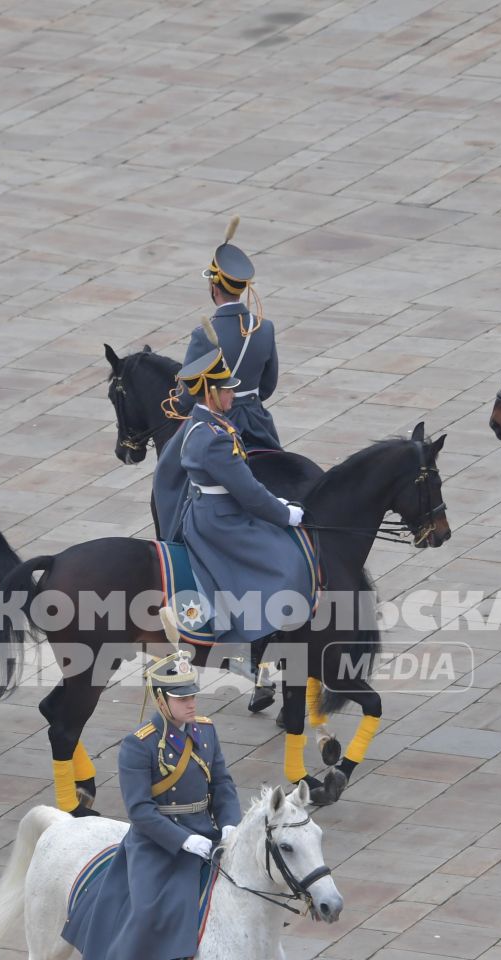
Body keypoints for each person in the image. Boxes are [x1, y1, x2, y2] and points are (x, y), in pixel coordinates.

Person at [61, 650, 242, 960]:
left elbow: (223, 785)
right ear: (161, 701)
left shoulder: (206, 731)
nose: (191, 702)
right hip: (156, 843)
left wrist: (230, 825)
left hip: (206, 835)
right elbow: (141, 810)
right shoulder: (138, 745)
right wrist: (184, 840)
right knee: (144, 911)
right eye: (181, 697)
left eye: (192, 695)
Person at [168, 347, 312, 643]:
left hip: (215, 509)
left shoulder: (206, 424)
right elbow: (249, 492)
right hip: (223, 520)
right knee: (285, 561)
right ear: (210, 395)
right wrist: (285, 513)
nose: (233, 395)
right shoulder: (213, 440)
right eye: (227, 391)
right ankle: (261, 637)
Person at [172, 219, 281, 453]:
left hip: (217, 424)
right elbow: (268, 386)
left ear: (214, 288)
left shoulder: (203, 334)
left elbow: (186, 397)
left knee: (168, 472)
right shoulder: (265, 327)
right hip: (258, 424)